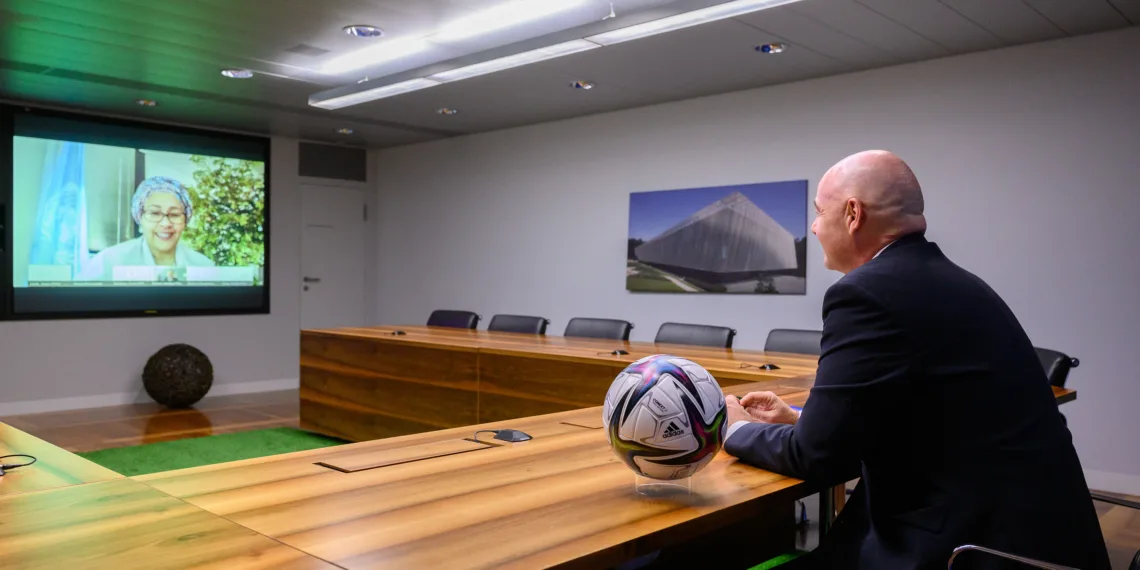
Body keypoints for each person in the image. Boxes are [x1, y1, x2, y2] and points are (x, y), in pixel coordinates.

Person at [723, 150, 1109, 569]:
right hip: (1032, 541)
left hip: (968, 553)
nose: (813, 228)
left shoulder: (867, 294)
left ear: (852, 214)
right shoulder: (951, 281)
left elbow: (816, 458)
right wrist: (802, 421)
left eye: (818, 213)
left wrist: (734, 427)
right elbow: (916, 421)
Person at [76, 176, 213, 281]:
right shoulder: (108, 262)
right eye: (155, 213)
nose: (166, 223)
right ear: (139, 219)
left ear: (185, 221)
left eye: (175, 214)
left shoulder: (203, 265)